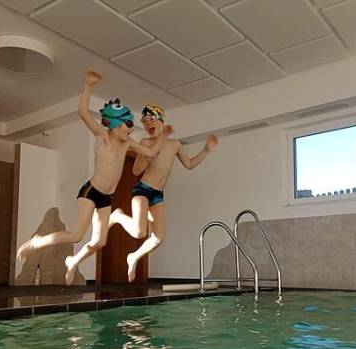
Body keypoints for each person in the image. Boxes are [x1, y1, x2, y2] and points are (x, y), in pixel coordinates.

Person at [16, 71, 164, 285]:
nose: (131, 130)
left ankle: (73, 262)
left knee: (99, 242)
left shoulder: (127, 144)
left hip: (107, 197)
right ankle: (36, 243)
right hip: (91, 192)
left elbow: (150, 153)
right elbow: (83, 112)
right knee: (76, 235)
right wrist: (88, 85)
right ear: (115, 125)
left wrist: (163, 135)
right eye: (128, 125)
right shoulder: (103, 137)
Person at [65, 104, 217, 284]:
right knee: (139, 232)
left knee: (158, 238)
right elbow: (136, 171)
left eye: (151, 119)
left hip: (158, 194)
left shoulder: (175, 144)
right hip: (142, 190)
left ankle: (134, 257)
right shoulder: (145, 143)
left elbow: (189, 164)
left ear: (161, 120)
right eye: (144, 121)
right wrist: (147, 157)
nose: (147, 124)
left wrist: (206, 150)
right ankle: (118, 216)